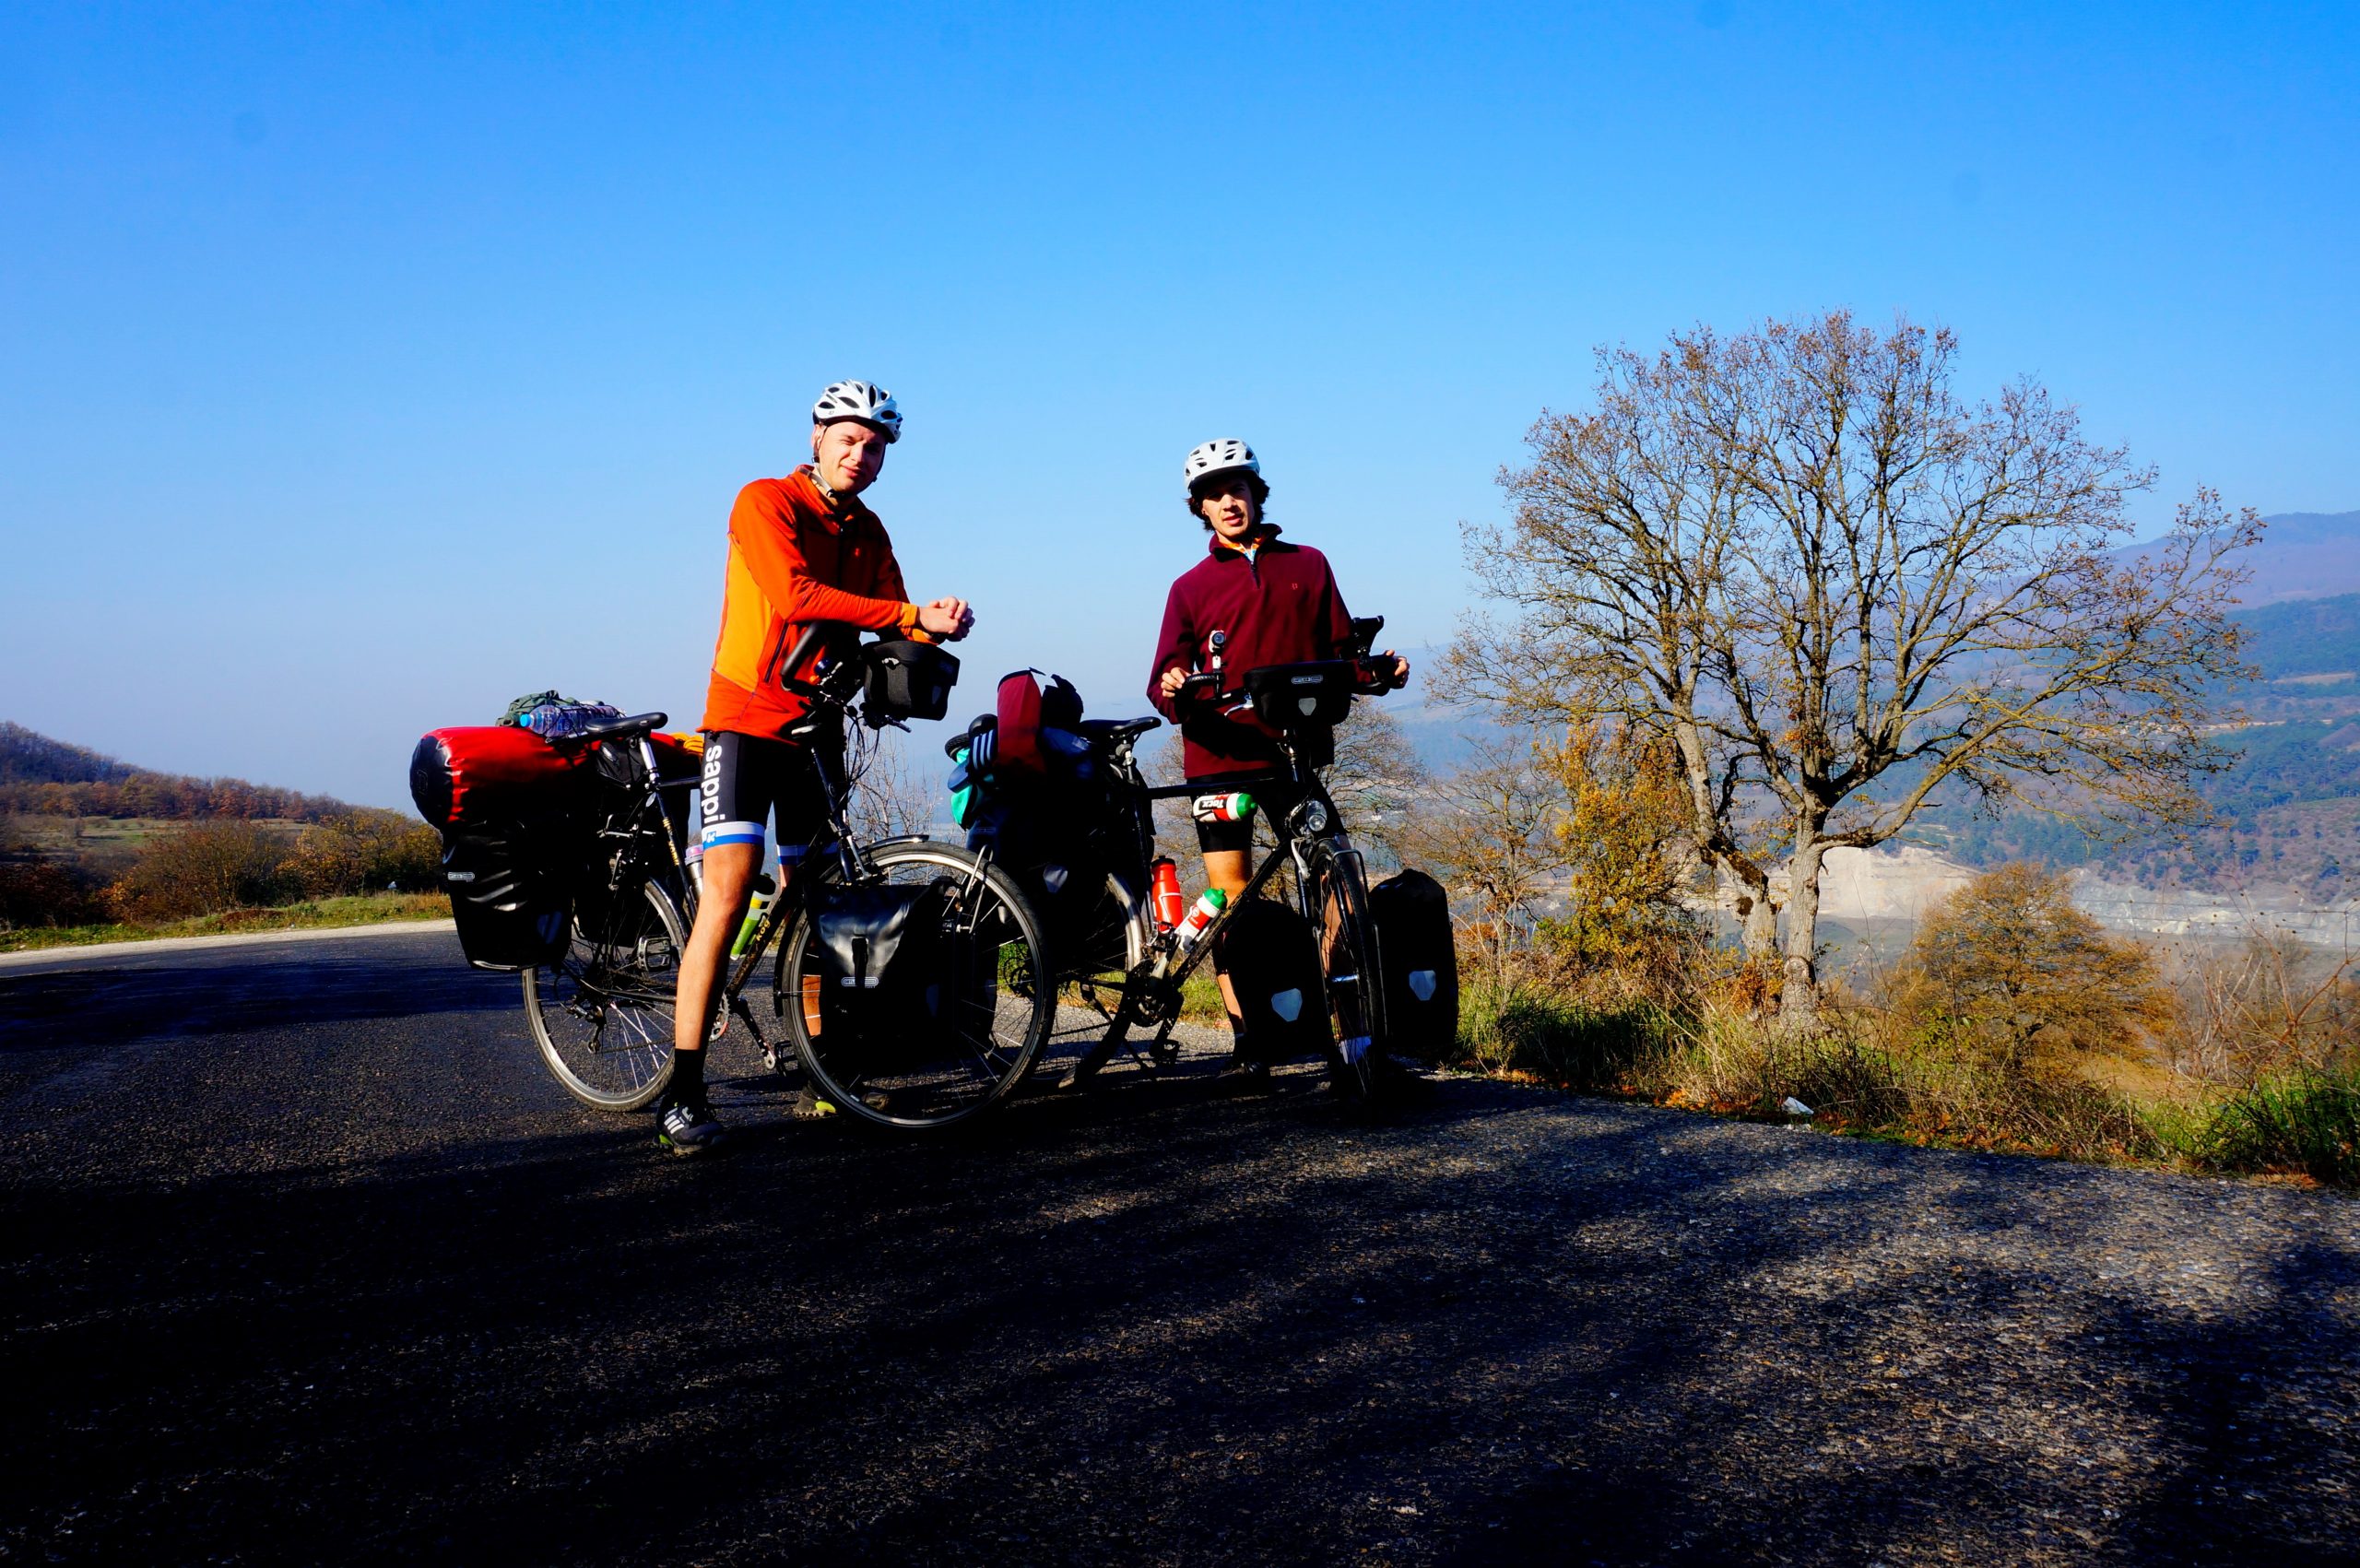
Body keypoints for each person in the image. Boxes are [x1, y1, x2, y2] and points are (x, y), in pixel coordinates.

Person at [659, 380, 974, 1155]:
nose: (860, 455)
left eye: (875, 447)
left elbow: (896, 617)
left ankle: (823, 1067)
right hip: (746, 719)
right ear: (816, 437)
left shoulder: (869, 530)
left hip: (818, 725)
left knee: (818, 901)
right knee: (729, 892)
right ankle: (682, 1090)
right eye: (848, 439)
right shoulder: (764, 500)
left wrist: (936, 627)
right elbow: (796, 595)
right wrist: (908, 616)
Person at [1143, 438, 1408, 1089]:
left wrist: (1380, 671)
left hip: (1294, 754)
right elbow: (1162, 679)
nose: (1228, 502)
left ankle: (1349, 1030)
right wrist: (1174, 684)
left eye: (1237, 488)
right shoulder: (1189, 588)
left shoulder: (1308, 565)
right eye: (1214, 495)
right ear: (1201, 509)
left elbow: (1341, 651)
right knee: (1231, 895)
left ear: (1257, 494)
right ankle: (1250, 1037)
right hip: (1220, 758)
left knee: (1338, 879)